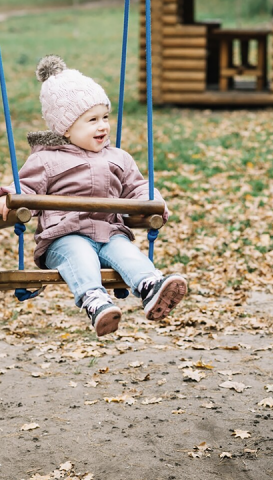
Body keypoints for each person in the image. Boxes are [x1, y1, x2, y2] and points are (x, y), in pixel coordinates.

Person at [0, 55, 187, 337]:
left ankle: (151, 287)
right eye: (92, 120)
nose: (102, 126)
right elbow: (24, 188)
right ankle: (96, 302)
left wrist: (154, 202)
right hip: (63, 237)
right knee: (79, 254)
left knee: (127, 252)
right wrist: (7, 198)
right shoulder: (46, 160)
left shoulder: (119, 158)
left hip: (109, 232)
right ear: (65, 129)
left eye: (105, 118)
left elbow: (136, 187)